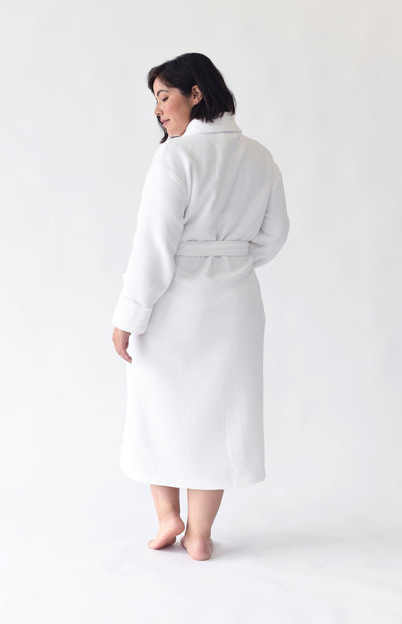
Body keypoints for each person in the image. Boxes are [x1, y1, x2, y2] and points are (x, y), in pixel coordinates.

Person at [111, 52, 290, 561]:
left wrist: (128, 316)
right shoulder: (260, 156)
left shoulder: (175, 158)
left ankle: (168, 516)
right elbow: (275, 234)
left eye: (164, 96)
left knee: (156, 402)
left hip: (175, 302)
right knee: (220, 412)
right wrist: (231, 260)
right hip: (236, 304)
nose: (157, 110)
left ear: (196, 93)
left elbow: (153, 248)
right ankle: (199, 533)